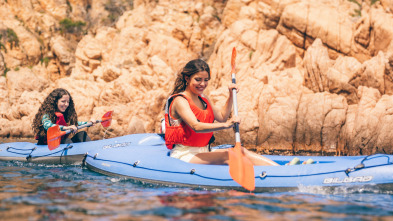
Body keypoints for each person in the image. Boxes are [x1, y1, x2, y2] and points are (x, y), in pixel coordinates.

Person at [163, 59, 278, 166]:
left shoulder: (204, 98)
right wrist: (226, 125)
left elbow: (222, 116)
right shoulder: (179, 100)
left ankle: (281, 169)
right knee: (228, 155)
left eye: (206, 80)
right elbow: (195, 126)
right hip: (185, 155)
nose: (202, 84)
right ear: (187, 78)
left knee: (241, 151)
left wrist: (231, 96)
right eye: (198, 79)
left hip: (205, 150)